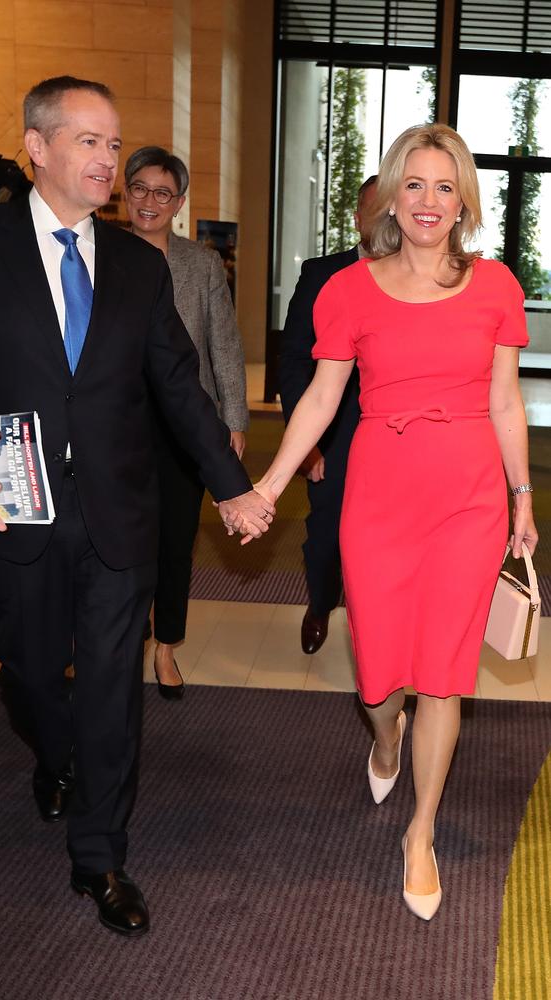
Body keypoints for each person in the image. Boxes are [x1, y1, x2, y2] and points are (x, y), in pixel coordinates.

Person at [0, 75, 274, 938]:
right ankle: (56, 756)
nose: (108, 160)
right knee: (34, 674)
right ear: (37, 147)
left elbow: (180, 387)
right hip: (11, 509)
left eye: (114, 144)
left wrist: (236, 488)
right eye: (89, 141)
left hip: (119, 513)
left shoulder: (141, 267)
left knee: (112, 687)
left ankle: (101, 857)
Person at [253, 123, 537, 920]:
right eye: (415, 184)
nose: (429, 201)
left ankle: (421, 831)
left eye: (446, 187)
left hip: (468, 498)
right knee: (381, 672)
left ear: (464, 203)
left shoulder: (496, 287)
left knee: (445, 672)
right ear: (390, 194)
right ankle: (384, 735)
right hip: (376, 491)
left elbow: (506, 400)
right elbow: (319, 398)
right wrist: (271, 484)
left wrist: (522, 499)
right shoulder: (348, 289)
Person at [123, 146, 249, 698]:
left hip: (185, 424)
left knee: (175, 541)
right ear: (124, 193)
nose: (150, 201)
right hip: (114, 427)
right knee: (118, 543)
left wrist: (234, 419)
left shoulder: (200, 264)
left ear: (178, 202)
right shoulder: (96, 253)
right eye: (140, 189)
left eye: (162, 193)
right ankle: (117, 643)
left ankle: (166, 646)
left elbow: (223, 344)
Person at [279, 176, 377, 654]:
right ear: (357, 218)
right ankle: (321, 601)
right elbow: (295, 358)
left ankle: (376, 623)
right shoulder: (323, 274)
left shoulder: (419, 278)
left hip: (396, 435)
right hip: (332, 431)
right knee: (326, 532)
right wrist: (306, 443)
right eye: (374, 211)